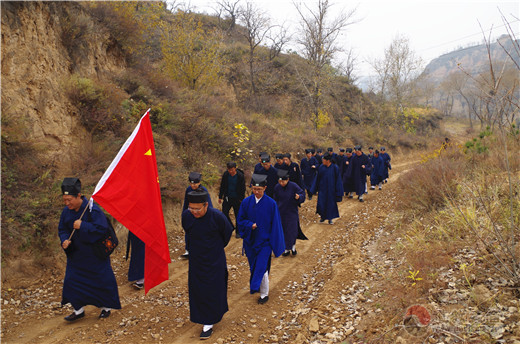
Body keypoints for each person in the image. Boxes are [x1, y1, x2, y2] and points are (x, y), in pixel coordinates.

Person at [58, 178, 121, 321]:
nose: (67, 203)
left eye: (69, 200)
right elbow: (62, 229)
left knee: (101, 280)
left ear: (79, 196)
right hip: (76, 254)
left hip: (94, 254)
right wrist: (64, 240)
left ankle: (106, 307)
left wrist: (83, 226)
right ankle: (78, 310)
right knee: (72, 281)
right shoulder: (66, 212)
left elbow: (102, 229)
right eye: (64, 200)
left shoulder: (92, 209)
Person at [182, 189, 233, 340]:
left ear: (205, 205)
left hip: (214, 259)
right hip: (196, 259)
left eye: (197, 209)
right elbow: (187, 231)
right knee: (197, 289)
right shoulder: (187, 216)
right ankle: (202, 316)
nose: (194, 212)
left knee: (213, 288)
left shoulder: (217, 217)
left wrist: (215, 247)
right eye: (191, 208)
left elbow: (227, 233)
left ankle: (209, 321)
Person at [237, 174, 285, 304]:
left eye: (259, 190)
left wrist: (276, 244)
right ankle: (256, 285)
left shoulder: (271, 204)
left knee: (261, 267)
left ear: (265, 188)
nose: (256, 192)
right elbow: (240, 220)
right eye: (254, 189)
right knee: (253, 266)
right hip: (250, 241)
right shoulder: (246, 202)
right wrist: (249, 225)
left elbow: (276, 225)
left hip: (265, 242)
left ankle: (264, 293)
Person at [181, 172, 213, 259]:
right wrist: (184, 214)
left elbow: (208, 204)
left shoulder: (204, 190)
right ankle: (188, 250)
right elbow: (186, 203)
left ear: (199, 182)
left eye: (195, 183)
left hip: (201, 215)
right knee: (189, 231)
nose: (193, 185)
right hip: (191, 214)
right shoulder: (188, 190)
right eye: (191, 183)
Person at [273, 170, 306, 256]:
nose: (281, 183)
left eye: (283, 181)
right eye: (279, 181)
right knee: (283, 230)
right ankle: (286, 249)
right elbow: (275, 199)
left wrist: (299, 197)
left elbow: (302, 193)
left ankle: (293, 247)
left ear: (287, 180)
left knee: (292, 230)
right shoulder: (277, 187)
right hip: (281, 212)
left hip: (291, 212)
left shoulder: (293, 186)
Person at [310, 152, 344, 224]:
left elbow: (338, 180)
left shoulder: (335, 168)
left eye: (323, 160)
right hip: (322, 189)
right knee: (321, 203)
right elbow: (317, 178)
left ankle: (330, 218)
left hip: (331, 190)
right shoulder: (321, 167)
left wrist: (338, 191)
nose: (322, 161)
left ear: (328, 161)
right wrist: (313, 189)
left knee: (330, 204)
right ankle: (323, 217)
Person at [218, 162, 246, 238]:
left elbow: (243, 188)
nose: (230, 171)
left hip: (237, 198)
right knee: (224, 212)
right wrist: (220, 196)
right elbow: (222, 186)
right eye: (229, 170)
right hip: (227, 197)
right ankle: (230, 226)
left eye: (232, 170)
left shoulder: (240, 176)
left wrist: (241, 199)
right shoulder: (226, 175)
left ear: (235, 168)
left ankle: (238, 232)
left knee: (238, 215)